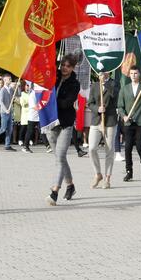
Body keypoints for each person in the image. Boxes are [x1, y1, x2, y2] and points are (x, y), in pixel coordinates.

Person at [46, 54, 81, 206]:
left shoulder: (75, 83)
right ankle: (71, 185)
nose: (64, 68)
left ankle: (54, 191)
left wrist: (51, 100)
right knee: (60, 158)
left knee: (60, 156)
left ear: (73, 67)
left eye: (68, 66)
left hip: (66, 123)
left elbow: (67, 103)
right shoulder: (54, 76)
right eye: (63, 65)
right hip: (51, 122)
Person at [117, 65, 141, 182]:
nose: (133, 75)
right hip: (128, 122)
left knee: (139, 146)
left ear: (139, 75)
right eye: (132, 73)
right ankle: (129, 172)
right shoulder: (124, 89)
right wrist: (124, 116)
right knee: (127, 148)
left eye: (136, 73)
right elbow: (120, 106)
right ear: (129, 75)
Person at [87, 72, 117, 188]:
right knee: (92, 148)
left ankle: (107, 178)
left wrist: (106, 84)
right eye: (99, 73)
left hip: (109, 121)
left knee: (109, 150)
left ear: (108, 72)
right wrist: (97, 109)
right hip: (96, 121)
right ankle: (97, 174)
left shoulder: (114, 84)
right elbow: (90, 103)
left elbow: (115, 97)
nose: (101, 74)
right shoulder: (94, 85)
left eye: (103, 72)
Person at [0, 74, 16, 151]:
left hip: (10, 112)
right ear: (5, 80)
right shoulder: (2, 90)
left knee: (9, 129)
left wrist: (18, 86)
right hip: (4, 113)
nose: (10, 80)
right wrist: (6, 110)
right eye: (9, 79)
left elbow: (18, 94)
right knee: (3, 129)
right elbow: (0, 101)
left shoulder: (11, 89)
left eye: (10, 79)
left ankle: (7, 145)